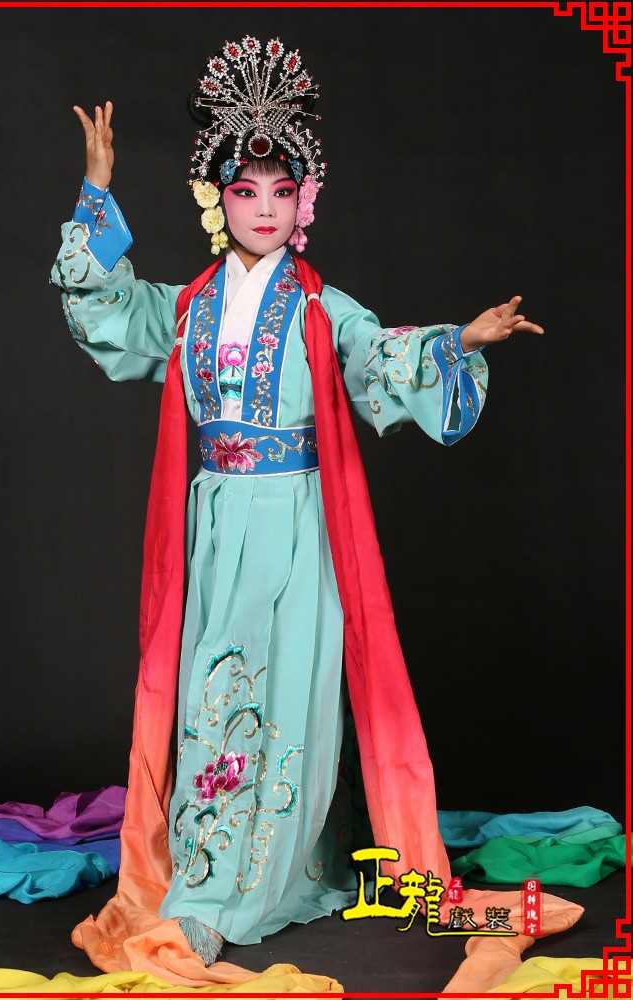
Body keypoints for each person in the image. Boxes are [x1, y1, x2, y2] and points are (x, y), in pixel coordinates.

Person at [50, 36, 544, 974]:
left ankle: (252, 886)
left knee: (292, 700)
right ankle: (212, 880)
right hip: (215, 523)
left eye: (282, 191)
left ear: (304, 201)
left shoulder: (320, 307)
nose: (266, 208)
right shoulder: (188, 308)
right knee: (215, 698)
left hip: (298, 521)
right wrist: (97, 192)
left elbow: (383, 356)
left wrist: (460, 341)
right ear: (217, 199)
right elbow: (102, 307)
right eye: (246, 191)